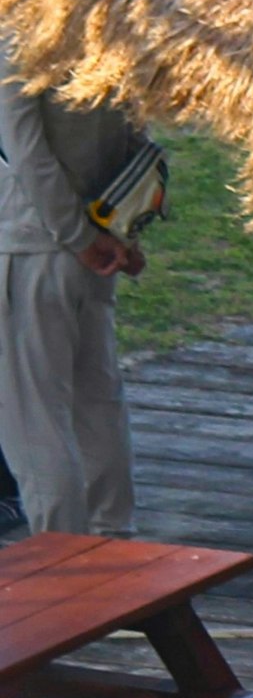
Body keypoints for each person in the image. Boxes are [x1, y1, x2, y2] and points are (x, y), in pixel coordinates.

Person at [0, 79, 139, 538]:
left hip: (30, 246)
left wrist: (80, 238)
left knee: (34, 420)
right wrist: (116, 233)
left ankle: (61, 560)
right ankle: (113, 545)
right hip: (94, 242)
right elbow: (134, 134)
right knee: (97, 404)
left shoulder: (19, 34)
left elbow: (26, 152)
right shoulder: (109, 23)